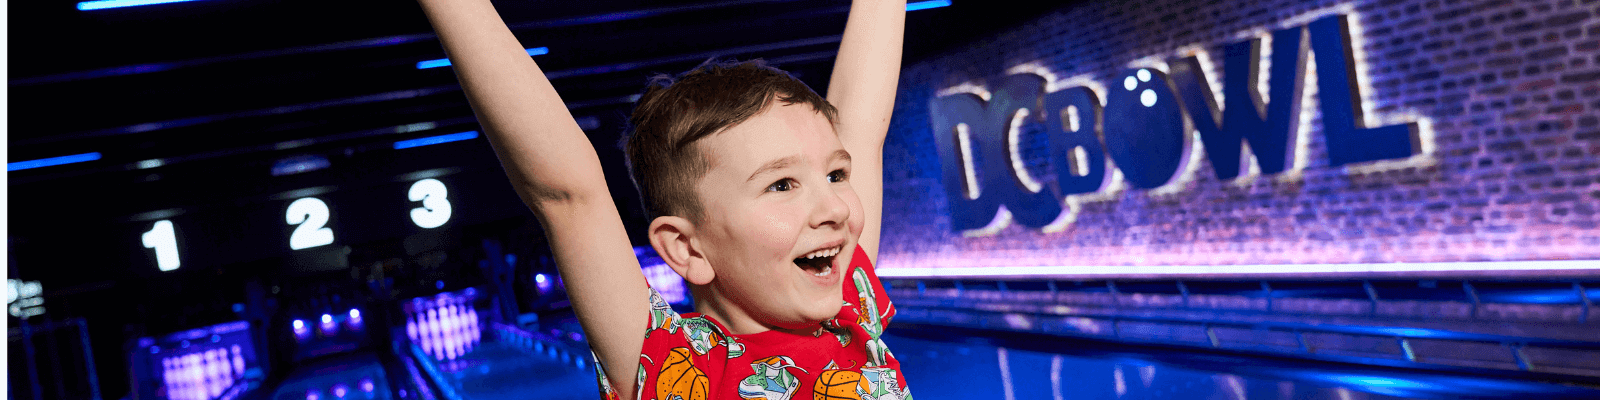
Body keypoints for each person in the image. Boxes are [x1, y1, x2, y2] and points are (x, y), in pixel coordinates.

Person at [413, 0, 906, 399]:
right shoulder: (681, 369)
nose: (836, 208)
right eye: (781, 185)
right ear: (686, 249)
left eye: (836, 174)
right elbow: (568, 194)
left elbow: (861, 125)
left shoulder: (850, 307)